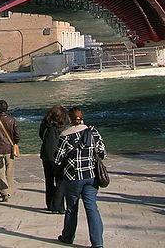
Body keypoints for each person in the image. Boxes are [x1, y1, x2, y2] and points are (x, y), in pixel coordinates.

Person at [54, 106, 106, 247]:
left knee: (72, 208)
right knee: (91, 207)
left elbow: (57, 159)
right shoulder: (93, 131)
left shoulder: (65, 135)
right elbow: (102, 153)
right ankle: (98, 243)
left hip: (73, 177)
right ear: (82, 117)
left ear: (70, 119)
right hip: (91, 175)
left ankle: (68, 237)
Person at [39, 105, 68, 213]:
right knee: (60, 181)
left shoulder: (45, 124)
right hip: (58, 155)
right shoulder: (61, 127)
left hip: (46, 154)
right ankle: (59, 205)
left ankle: (50, 204)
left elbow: (41, 135)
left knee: (49, 180)